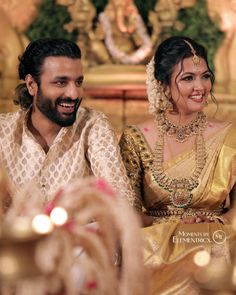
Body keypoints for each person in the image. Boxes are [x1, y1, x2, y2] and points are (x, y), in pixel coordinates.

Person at [119, 36, 236, 293]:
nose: (201, 87)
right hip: (156, 245)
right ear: (162, 85)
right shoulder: (135, 138)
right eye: (187, 78)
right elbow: (128, 214)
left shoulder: (230, 137)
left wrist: (213, 225)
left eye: (205, 76)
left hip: (215, 240)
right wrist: (175, 229)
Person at [0, 37, 134, 207]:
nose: (74, 94)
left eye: (78, 82)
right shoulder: (3, 132)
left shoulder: (92, 126)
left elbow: (122, 202)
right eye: (61, 82)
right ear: (32, 85)